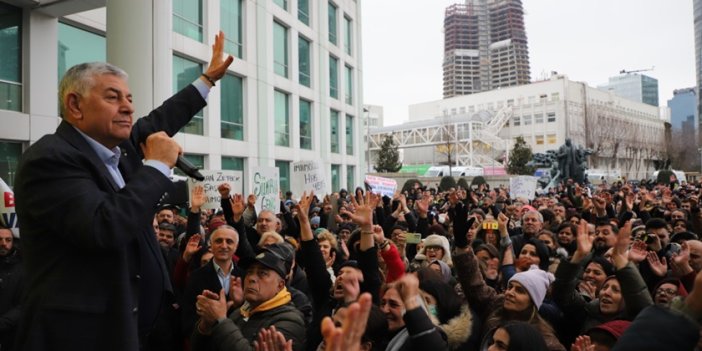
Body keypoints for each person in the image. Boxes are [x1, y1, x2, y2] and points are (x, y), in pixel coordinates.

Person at [13, 32, 233, 350]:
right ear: (75, 105)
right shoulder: (51, 160)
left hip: (130, 330)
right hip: (80, 338)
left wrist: (206, 80)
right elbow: (105, 225)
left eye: (129, 99)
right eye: (113, 98)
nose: (128, 108)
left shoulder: (117, 151)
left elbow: (158, 120)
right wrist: (157, 167)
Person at [190, 243, 306, 351]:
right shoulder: (243, 309)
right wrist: (206, 324)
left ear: (280, 285)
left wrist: (221, 320)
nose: (251, 278)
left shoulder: (290, 321)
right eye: (250, 272)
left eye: (262, 273)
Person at [0, 225, 22, 350]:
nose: (3, 243)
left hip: (11, 335)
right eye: (0, 239)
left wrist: (3, 323)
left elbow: (23, 304)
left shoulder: (21, 270)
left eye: (8, 240)